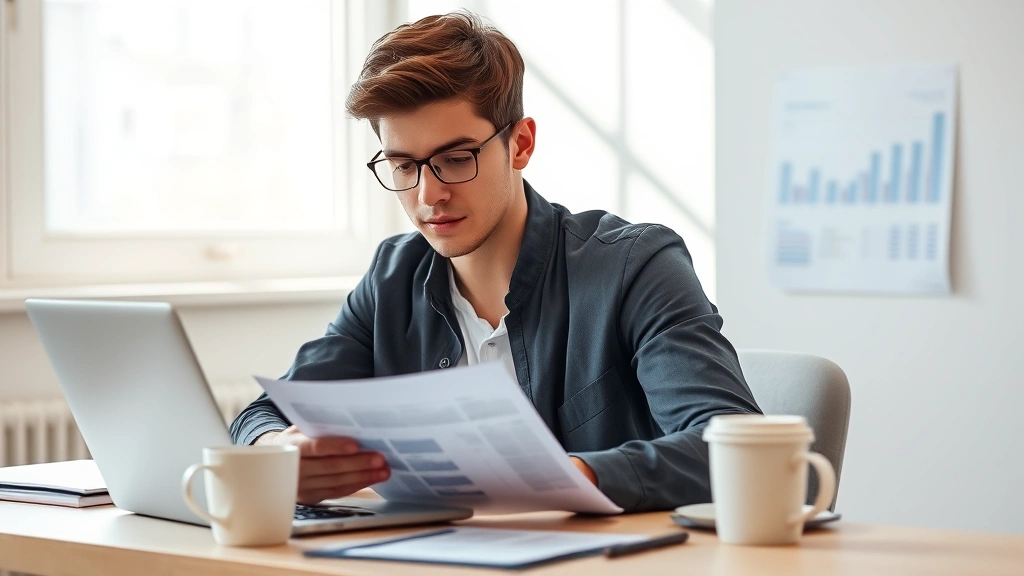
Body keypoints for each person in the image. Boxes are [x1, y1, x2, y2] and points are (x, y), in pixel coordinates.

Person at [230, 11, 760, 513]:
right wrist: (279, 449)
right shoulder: (391, 279)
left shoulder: (635, 266)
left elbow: (735, 449)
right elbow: (263, 414)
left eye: (456, 159)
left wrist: (561, 479)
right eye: (402, 165)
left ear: (521, 144)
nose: (428, 194)